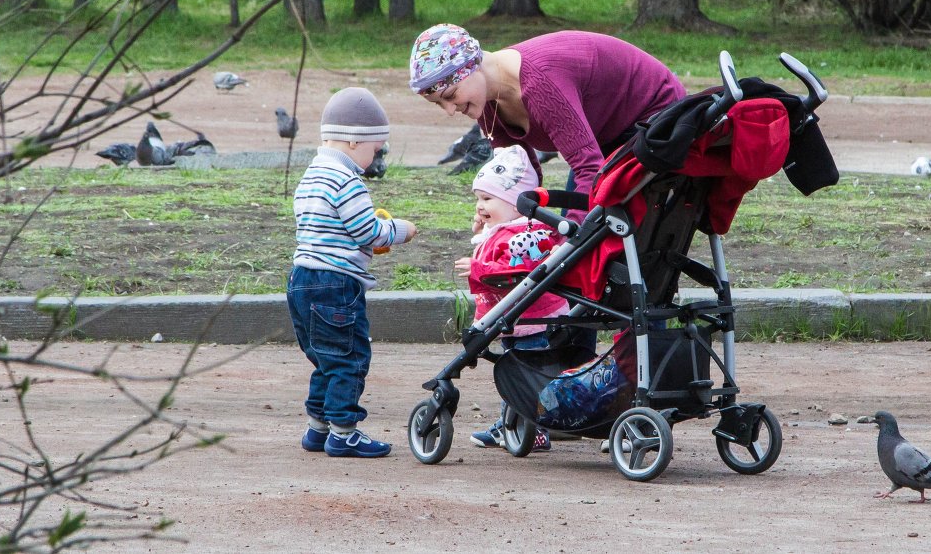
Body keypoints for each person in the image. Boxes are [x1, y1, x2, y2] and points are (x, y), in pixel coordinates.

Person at [408, 23, 686, 202]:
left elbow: (589, 169)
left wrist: (566, 242)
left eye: (450, 96)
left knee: (586, 240)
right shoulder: (486, 102)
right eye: (438, 104)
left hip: (655, 119)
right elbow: (517, 178)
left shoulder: (540, 84)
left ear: (472, 67)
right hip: (604, 140)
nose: (449, 110)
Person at [287, 87, 418, 458]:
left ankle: (318, 428)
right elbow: (368, 232)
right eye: (375, 149)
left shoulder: (312, 175)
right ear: (352, 140)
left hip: (301, 278)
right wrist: (401, 231)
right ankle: (344, 432)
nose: (374, 158)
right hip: (336, 283)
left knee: (325, 358)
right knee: (349, 358)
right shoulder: (347, 181)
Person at [455, 145, 568, 451]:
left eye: (487, 199)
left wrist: (477, 267)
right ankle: (515, 422)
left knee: (529, 374)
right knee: (518, 372)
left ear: (516, 202)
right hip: (517, 317)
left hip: (530, 318)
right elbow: (497, 247)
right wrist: (482, 230)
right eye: (478, 198)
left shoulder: (527, 234)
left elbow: (515, 270)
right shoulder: (513, 228)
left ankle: (537, 425)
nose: (480, 206)